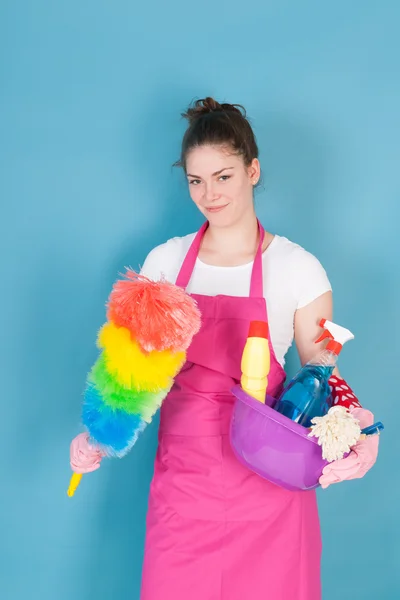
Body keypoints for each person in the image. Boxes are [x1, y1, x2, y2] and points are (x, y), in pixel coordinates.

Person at [70, 98, 379, 599]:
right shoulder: (165, 263)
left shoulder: (300, 269)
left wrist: (360, 426)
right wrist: (98, 436)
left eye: (224, 176)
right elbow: (130, 372)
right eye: (196, 181)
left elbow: (322, 369)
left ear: (252, 170)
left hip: (270, 484)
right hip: (184, 486)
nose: (209, 194)